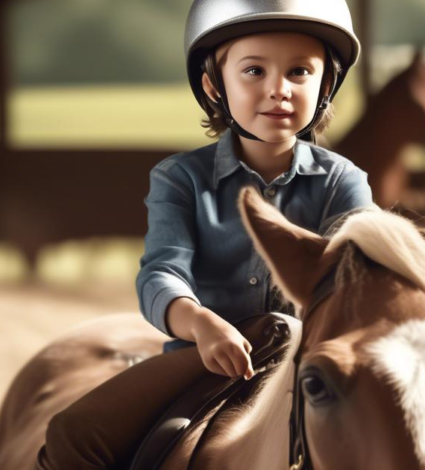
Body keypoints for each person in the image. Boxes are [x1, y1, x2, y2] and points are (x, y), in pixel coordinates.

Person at [35, 1, 372, 467]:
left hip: (312, 368)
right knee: (72, 433)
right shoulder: (179, 178)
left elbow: (366, 278)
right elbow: (162, 273)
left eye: (299, 72)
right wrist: (201, 325)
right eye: (254, 71)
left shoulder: (344, 182)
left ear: (326, 85)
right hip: (203, 361)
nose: (279, 90)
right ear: (215, 85)